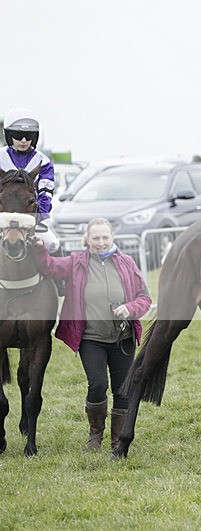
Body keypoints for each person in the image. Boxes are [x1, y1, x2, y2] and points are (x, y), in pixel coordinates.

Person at [31, 218, 151, 450]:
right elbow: (50, 267)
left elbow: (145, 298)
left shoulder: (127, 263)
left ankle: (118, 439)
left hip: (122, 339)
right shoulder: (76, 262)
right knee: (97, 384)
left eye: (105, 237)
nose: (101, 242)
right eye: (95, 238)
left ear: (112, 238)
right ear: (87, 240)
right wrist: (38, 247)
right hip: (90, 339)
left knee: (122, 390)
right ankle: (95, 434)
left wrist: (129, 308)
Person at [1, 107, 60, 252]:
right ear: (8, 135)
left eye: (29, 136)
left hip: (31, 219)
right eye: (18, 135)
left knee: (53, 245)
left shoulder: (43, 161)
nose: (23, 140)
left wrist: (38, 218)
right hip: (2, 218)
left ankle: (58, 275)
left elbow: (46, 194)